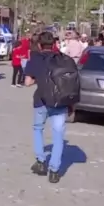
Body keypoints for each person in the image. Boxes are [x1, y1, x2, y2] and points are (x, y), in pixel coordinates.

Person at [24, 29, 77, 184]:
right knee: (58, 135)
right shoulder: (65, 60)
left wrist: (40, 79)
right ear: (54, 44)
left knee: (38, 129)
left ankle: (41, 162)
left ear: (40, 45)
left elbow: (27, 82)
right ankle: (54, 171)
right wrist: (72, 105)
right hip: (60, 102)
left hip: (41, 101)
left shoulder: (35, 59)